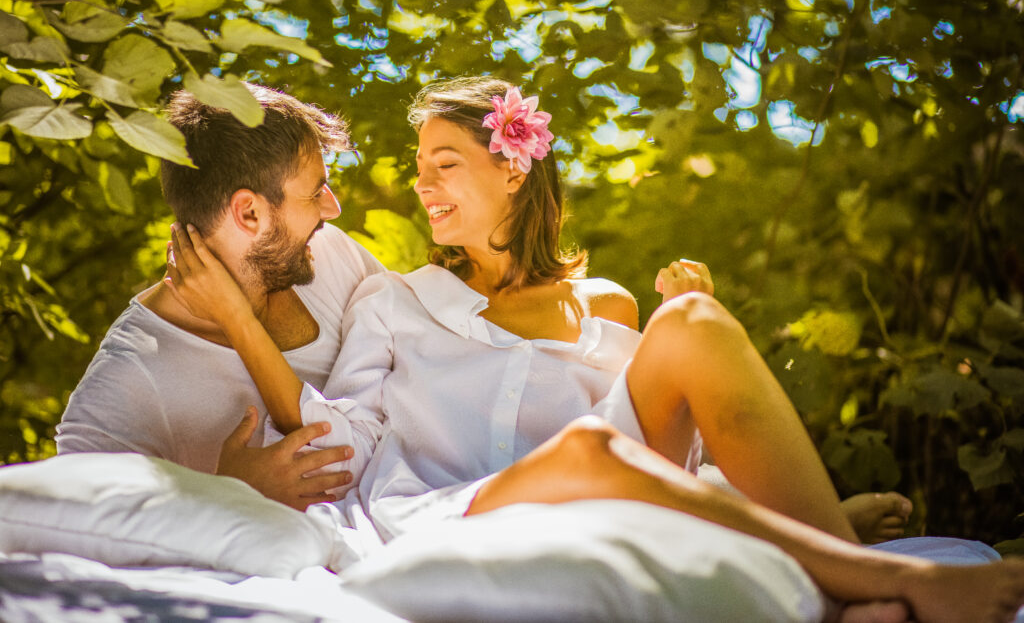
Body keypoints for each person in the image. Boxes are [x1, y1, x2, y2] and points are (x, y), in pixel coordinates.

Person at [168, 77, 1024, 621]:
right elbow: (343, 442)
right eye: (418, 165)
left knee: (689, 324)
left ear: (513, 169)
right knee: (587, 449)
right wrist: (237, 321)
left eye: (443, 163)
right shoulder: (396, 300)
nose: (422, 182)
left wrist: (698, 332)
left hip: (612, 475)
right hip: (468, 502)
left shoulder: (604, 302)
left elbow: (674, 459)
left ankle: (832, 552)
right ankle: (870, 581)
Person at [55, 85, 384, 510]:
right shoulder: (132, 376)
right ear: (249, 213)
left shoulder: (335, 255)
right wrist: (223, 496)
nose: (332, 208)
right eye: (316, 191)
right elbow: (77, 529)